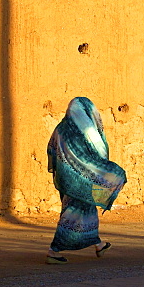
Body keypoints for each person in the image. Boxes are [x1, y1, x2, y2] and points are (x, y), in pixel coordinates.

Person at [45, 97, 127, 264]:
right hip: (83, 179)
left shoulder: (60, 129)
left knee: (87, 212)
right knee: (72, 215)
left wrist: (65, 168)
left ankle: (99, 244)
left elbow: (51, 149)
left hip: (69, 180)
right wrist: (107, 171)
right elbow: (98, 152)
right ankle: (54, 251)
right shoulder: (86, 130)